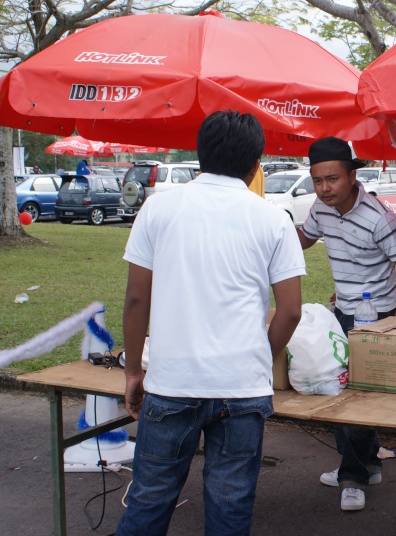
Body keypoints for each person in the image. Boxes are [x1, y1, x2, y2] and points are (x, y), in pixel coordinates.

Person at [116, 110, 305, 536]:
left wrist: (132, 371)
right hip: (241, 388)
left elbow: (135, 298)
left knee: (149, 498)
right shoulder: (274, 219)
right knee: (230, 505)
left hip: (171, 383)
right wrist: (260, 357)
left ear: (199, 154)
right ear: (256, 165)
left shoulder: (157, 207)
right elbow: (291, 310)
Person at [297, 137, 396, 512]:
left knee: (349, 397)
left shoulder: (378, 216)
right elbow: (304, 238)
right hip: (342, 312)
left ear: (352, 175)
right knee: (344, 391)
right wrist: (271, 234)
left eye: (332, 179)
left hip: (378, 314)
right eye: (317, 180)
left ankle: (352, 478)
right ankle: (370, 464)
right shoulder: (321, 208)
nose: (324, 188)